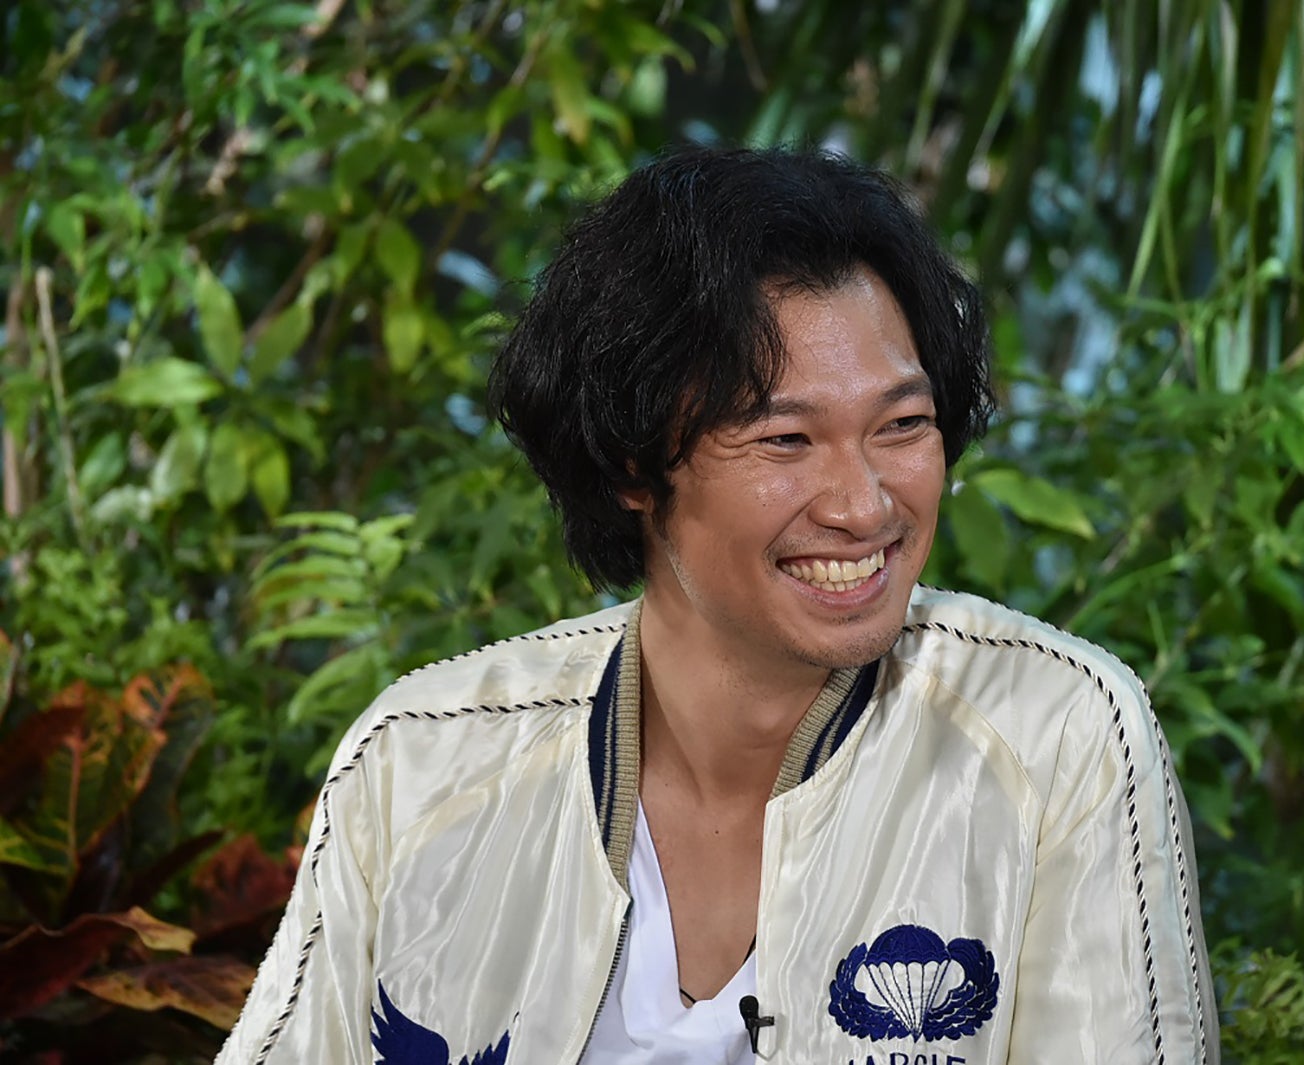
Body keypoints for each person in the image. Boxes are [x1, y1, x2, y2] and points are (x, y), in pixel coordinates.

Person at [219, 145, 1218, 1065]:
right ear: (630, 465)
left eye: (902, 424)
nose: (864, 505)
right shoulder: (420, 761)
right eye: (784, 440)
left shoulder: (1053, 735)